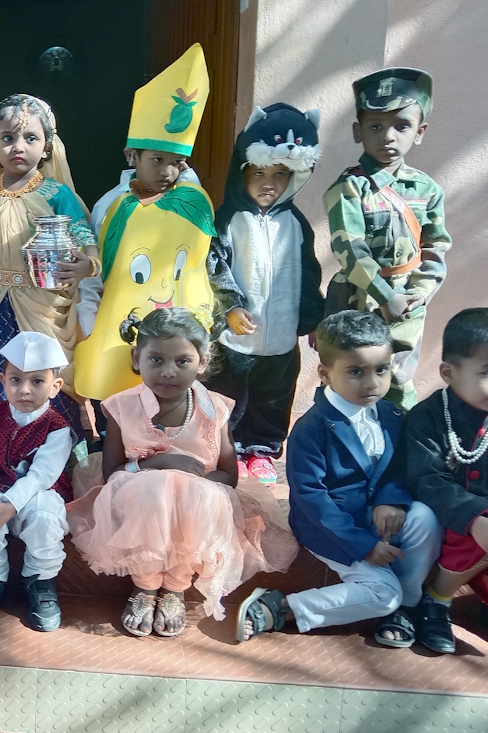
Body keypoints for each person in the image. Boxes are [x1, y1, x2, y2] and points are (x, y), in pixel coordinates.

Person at [237, 311, 441, 648]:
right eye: (356, 372)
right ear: (324, 373)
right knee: (383, 594)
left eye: (381, 370)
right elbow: (311, 497)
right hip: (332, 528)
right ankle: (281, 608)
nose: (372, 383)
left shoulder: (392, 415)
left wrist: (390, 499)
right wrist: (363, 546)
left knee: (425, 519)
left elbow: (399, 467)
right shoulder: (311, 428)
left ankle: (405, 606)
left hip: (376, 515)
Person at [67, 307, 266, 637]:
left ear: (203, 361)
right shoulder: (121, 406)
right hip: (135, 497)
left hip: (198, 505)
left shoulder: (215, 408)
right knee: (154, 489)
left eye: (182, 361)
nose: (168, 371)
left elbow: (228, 477)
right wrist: (160, 465)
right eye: (156, 360)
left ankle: (175, 586)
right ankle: (145, 585)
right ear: (136, 359)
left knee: (193, 495)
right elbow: (112, 473)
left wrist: (187, 486)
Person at [0, 94, 97, 465]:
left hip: (43, 307)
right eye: (8, 138)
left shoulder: (59, 196)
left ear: (47, 147)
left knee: (44, 379)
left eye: (30, 138)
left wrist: (87, 266)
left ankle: (51, 467)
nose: (18, 147)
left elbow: (85, 240)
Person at [74, 43, 218, 403]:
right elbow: (95, 275)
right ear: (131, 155)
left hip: (173, 348)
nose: (167, 171)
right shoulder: (111, 206)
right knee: (120, 410)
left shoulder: (188, 205)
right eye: (157, 159)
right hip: (122, 340)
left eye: (177, 162)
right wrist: (93, 326)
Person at [204, 103, 326, 483]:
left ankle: (261, 449)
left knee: (273, 395)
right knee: (229, 395)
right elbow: (215, 267)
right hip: (236, 336)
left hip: (281, 336)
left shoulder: (296, 224)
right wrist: (230, 307)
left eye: (280, 174)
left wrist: (312, 320)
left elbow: (308, 273)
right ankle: (228, 447)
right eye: (259, 172)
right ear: (242, 170)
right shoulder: (228, 220)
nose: (269, 183)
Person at [324, 68, 450, 411]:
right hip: (357, 300)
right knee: (348, 381)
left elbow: (435, 248)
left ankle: (398, 442)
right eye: (376, 126)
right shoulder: (349, 188)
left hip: (406, 304)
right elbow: (350, 248)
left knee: (398, 382)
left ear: (420, 132)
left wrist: (419, 294)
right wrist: (386, 297)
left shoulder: (427, 190)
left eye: (402, 126)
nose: (388, 137)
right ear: (358, 131)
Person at [0, 332, 74, 632]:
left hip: (39, 492)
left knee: (45, 518)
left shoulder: (57, 427)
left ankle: (40, 579)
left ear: (55, 386)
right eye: (15, 380)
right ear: (3, 380)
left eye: (37, 381)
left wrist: (11, 506)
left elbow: (41, 475)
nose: (24, 390)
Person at [400, 307, 488, 654]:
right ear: (448, 373)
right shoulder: (428, 418)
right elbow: (426, 479)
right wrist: (474, 517)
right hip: (450, 520)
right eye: (487, 372)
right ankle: (437, 599)